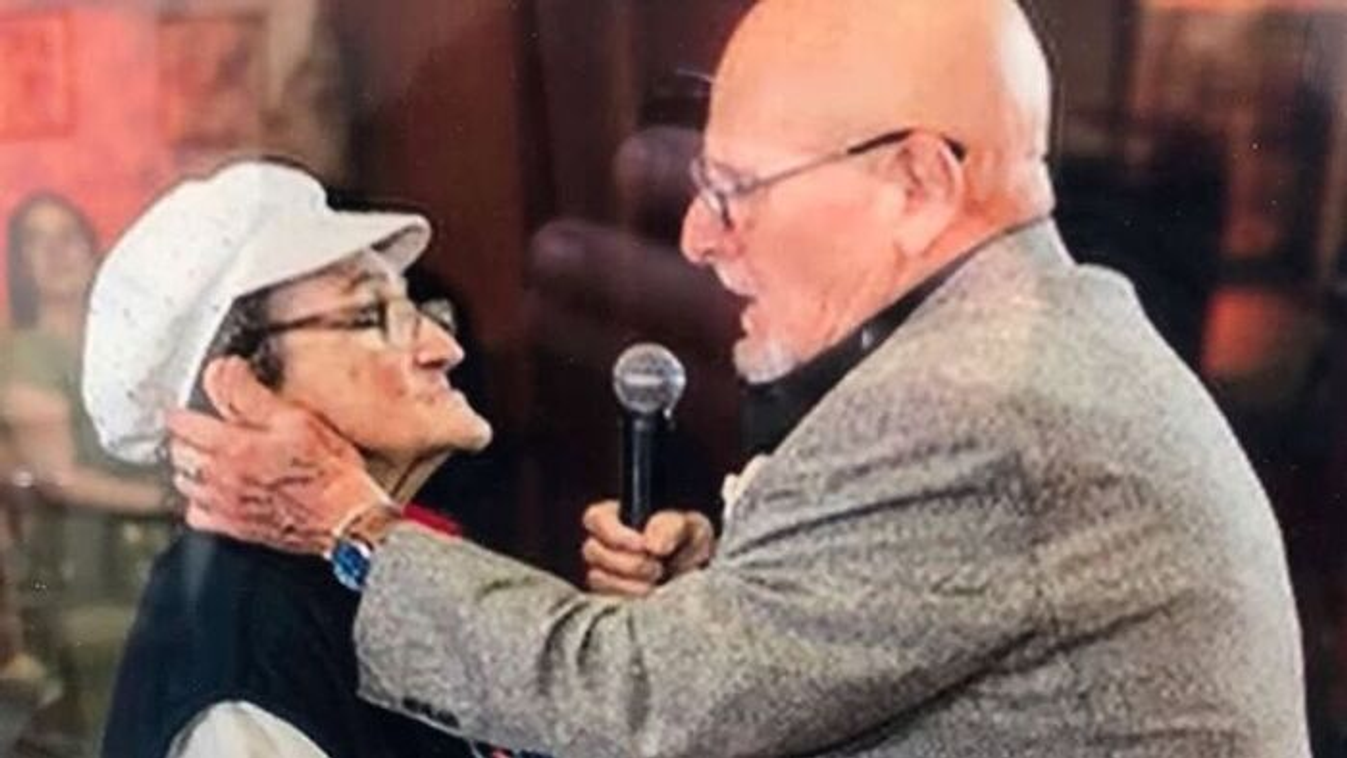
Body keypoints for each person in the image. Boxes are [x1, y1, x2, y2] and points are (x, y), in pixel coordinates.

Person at [166, 1, 1310, 756]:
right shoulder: (1034, 340)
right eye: (365, 313)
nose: (701, 239)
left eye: (736, 189)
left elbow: (643, 710)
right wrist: (747, 592)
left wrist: (351, 525)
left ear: (918, 182)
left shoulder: (968, 401)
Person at [82, 160, 534, 758]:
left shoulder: (357, 582)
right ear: (241, 390)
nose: (443, 349)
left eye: (420, 313)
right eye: (371, 316)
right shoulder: (247, 655)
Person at [0, 192, 171, 751]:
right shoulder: (27, 352)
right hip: (83, 566)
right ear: (21, 265)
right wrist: (174, 501)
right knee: (113, 721)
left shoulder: (129, 344)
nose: (56, 252)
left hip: (159, 554)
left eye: (67, 235)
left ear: (93, 247)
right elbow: (59, 477)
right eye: (36, 241)